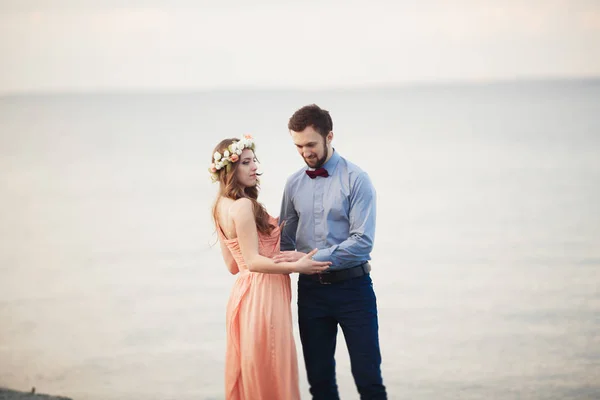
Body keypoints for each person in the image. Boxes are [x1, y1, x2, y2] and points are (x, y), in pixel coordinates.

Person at [275, 105, 387, 399]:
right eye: (298, 146)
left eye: (311, 144)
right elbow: (285, 242)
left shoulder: (357, 179)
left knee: (368, 380)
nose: (305, 152)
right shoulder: (293, 184)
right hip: (311, 294)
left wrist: (310, 259)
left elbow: (362, 242)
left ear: (329, 136)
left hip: (354, 290)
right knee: (320, 383)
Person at [209, 135, 330, 400]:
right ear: (230, 169)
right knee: (272, 365)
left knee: (256, 366)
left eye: (254, 161)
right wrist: (298, 266)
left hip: (244, 296)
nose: (254, 167)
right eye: (245, 162)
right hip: (264, 296)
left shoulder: (220, 207)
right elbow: (252, 261)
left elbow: (234, 265)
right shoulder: (242, 206)